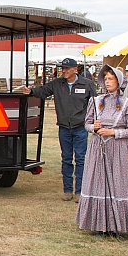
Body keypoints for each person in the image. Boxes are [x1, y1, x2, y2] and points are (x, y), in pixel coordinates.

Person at [76, 65, 128, 234]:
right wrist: (93, 127)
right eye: (106, 79)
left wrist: (113, 132)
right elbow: (87, 124)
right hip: (98, 149)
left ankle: (117, 225)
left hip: (118, 150)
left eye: (111, 79)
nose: (108, 82)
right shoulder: (96, 101)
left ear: (118, 81)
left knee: (118, 184)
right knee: (98, 184)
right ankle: (98, 225)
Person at [21, 57, 97, 202]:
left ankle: (80, 192)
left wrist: (92, 121)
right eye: (63, 68)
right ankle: (67, 190)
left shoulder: (87, 84)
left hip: (80, 127)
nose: (64, 71)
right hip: (64, 128)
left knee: (81, 159)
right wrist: (31, 91)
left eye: (67, 68)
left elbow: (95, 103)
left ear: (75, 69)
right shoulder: (57, 83)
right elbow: (43, 91)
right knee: (66, 159)